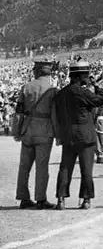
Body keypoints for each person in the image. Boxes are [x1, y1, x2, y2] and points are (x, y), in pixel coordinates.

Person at [54, 61, 103, 210]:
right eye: (86, 76)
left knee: (65, 168)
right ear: (81, 76)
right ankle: (86, 199)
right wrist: (96, 85)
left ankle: (61, 200)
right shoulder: (83, 92)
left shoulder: (61, 94)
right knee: (86, 170)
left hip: (68, 135)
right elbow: (101, 100)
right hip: (85, 136)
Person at [13, 60, 59, 209]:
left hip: (28, 130)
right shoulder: (52, 90)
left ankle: (23, 198)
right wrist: (57, 134)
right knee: (42, 167)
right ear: (49, 73)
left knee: (24, 167)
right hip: (44, 131)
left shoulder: (26, 87)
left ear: (36, 71)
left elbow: (19, 112)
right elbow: (54, 114)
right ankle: (41, 199)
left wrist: (17, 131)